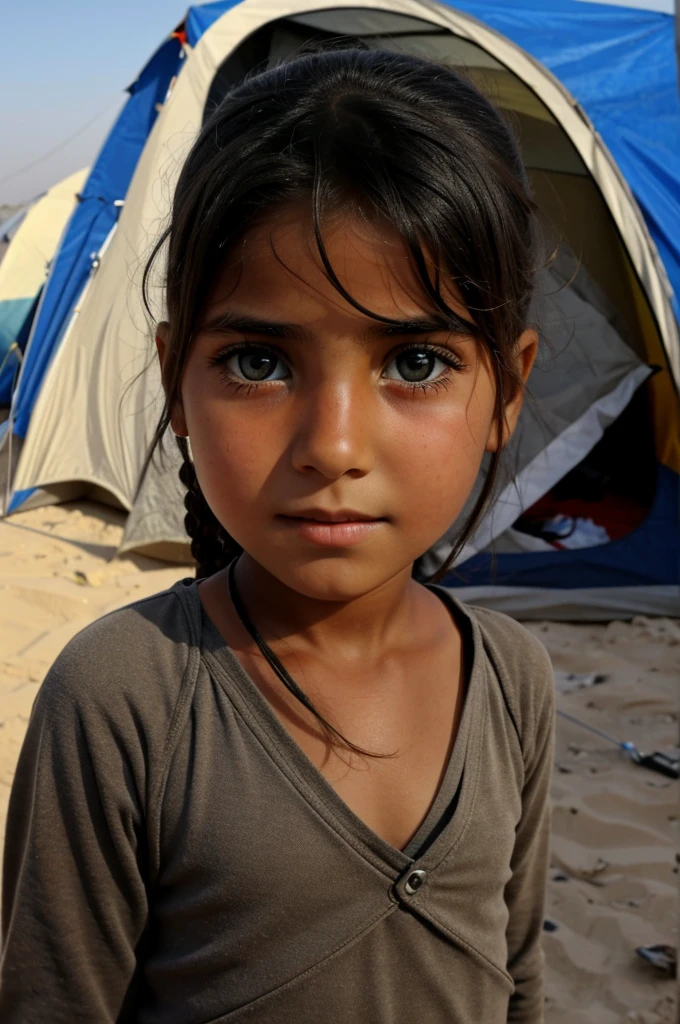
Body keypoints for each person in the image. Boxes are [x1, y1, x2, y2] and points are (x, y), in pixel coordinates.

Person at [0, 48, 555, 1023]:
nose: (332, 445)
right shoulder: (124, 700)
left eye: (414, 360)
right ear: (175, 377)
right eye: (258, 360)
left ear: (506, 388)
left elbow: (516, 981)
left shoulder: (510, 680)